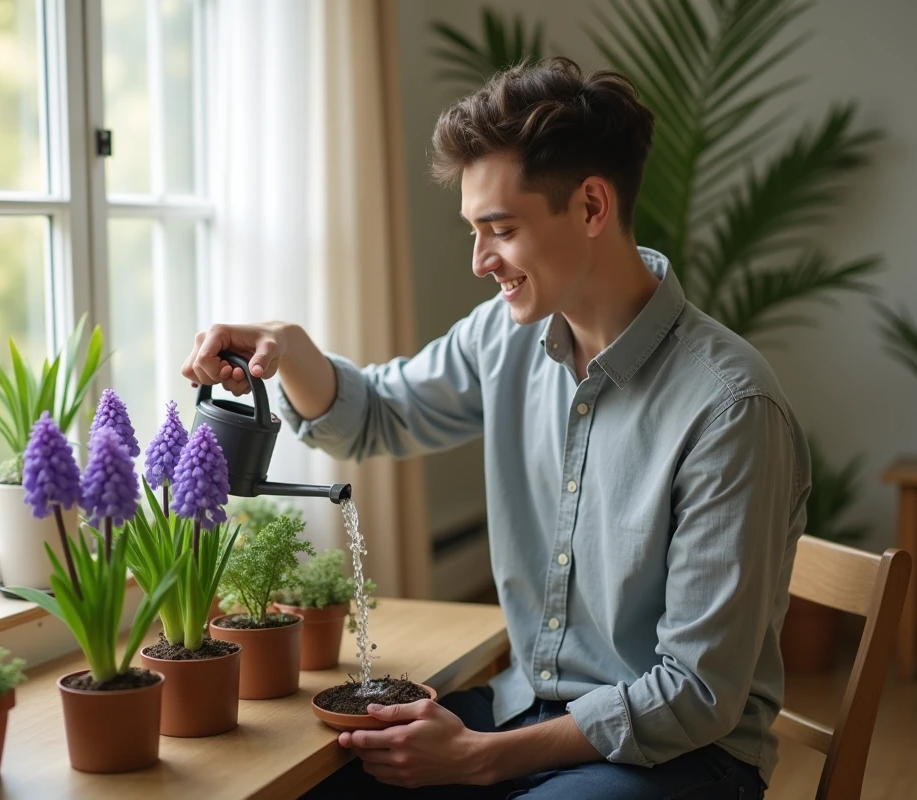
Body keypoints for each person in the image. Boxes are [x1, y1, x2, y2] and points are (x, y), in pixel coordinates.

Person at [181, 56, 808, 799]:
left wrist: (478, 758)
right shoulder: (504, 339)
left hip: (682, 761)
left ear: (591, 207)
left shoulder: (730, 409)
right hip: (523, 712)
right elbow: (376, 415)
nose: (481, 261)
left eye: (500, 229)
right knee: (318, 783)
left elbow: (697, 695)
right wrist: (287, 346)